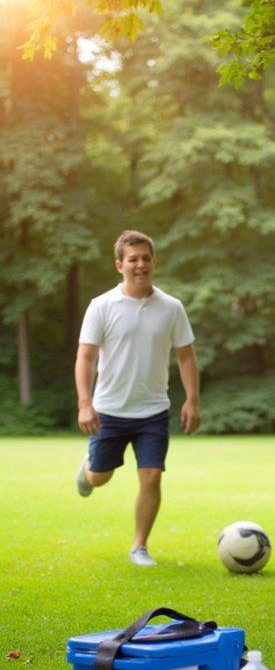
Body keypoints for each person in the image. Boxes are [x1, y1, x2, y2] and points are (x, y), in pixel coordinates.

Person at [74, 230, 201, 567]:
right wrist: (85, 404)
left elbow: (186, 357)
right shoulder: (101, 306)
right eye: (133, 259)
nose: (140, 264)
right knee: (100, 478)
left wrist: (192, 400)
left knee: (152, 476)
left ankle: (139, 546)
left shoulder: (171, 307)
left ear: (153, 262)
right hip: (109, 410)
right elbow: (85, 358)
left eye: (146, 258)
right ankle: (87, 470)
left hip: (153, 411)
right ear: (120, 265)